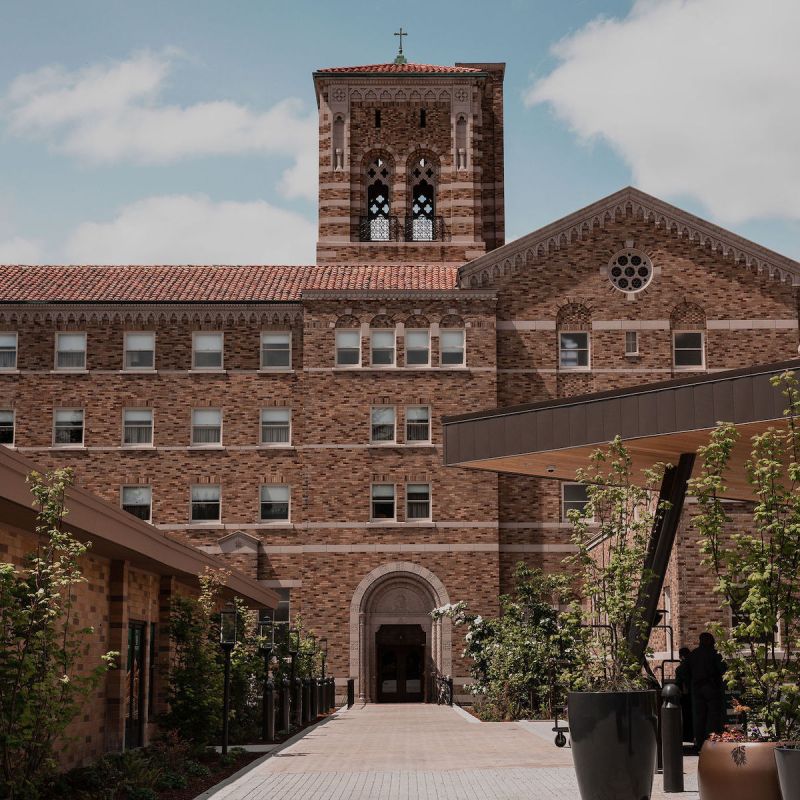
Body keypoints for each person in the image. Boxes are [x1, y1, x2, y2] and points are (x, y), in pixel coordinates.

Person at [687, 632, 726, 750]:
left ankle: (700, 743)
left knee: (698, 717)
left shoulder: (693, 654)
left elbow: (681, 670)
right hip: (711, 688)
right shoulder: (715, 654)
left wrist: (689, 682)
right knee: (713, 716)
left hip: (696, 689)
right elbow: (723, 669)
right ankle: (711, 742)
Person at [674, 646, 694, 744]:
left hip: (686, 695)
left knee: (686, 716)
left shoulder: (680, 668)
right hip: (696, 694)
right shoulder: (695, 666)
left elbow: (678, 684)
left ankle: (687, 735)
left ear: (681, 656)